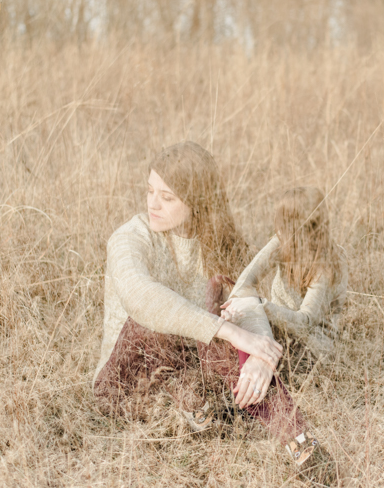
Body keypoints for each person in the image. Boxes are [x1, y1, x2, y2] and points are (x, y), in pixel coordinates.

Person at [93, 142, 319, 465]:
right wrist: (228, 332)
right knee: (166, 324)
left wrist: (260, 354)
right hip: (124, 382)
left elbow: (245, 303)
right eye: (150, 191)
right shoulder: (130, 237)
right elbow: (140, 296)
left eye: (167, 197)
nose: (153, 204)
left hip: (186, 374)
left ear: (197, 201)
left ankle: (302, 445)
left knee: (225, 320)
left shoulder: (216, 242)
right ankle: (202, 410)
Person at [222, 187, 347, 364]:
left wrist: (261, 306)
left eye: (282, 221)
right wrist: (239, 303)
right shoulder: (283, 243)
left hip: (310, 346)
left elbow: (306, 322)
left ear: (294, 225)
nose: (277, 227)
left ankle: (246, 369)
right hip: (276, 326)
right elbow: (246, 280)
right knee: (218, 285)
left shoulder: (325, 265)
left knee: (248, 329)